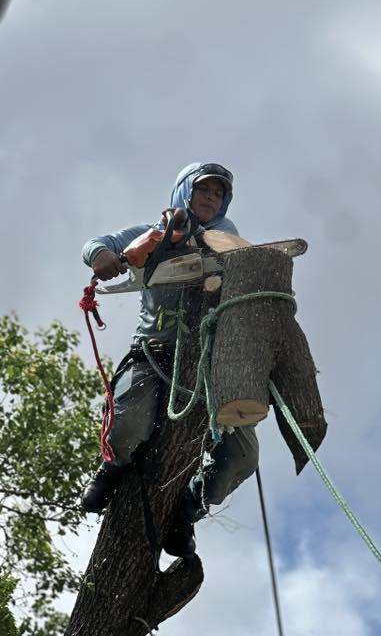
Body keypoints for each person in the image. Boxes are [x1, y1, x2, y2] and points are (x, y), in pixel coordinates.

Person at [80, 162, 259, 557]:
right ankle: (112, 469)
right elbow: (97, 243)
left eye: (218, 193)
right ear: (185, 191)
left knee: (241, 456)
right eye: (204, 189)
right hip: (154, 351)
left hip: (211, 364)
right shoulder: (156, 232)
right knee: (128, 425)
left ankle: (186, 511)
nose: (211, 198)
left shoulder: (228, 240)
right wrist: (104, 256)